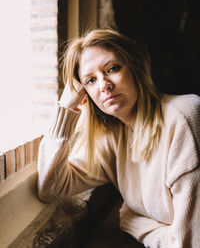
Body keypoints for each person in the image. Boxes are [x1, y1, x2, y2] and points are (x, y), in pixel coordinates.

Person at [37, 28, 200, 247]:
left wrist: (134, 222)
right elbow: (50, 188)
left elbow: (188, 243)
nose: (104, 85)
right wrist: (66, 108)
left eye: (112, 68)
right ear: (86, 94)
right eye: (91, 80)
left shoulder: (184, 116)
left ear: (134, 67)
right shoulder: (113, 140)